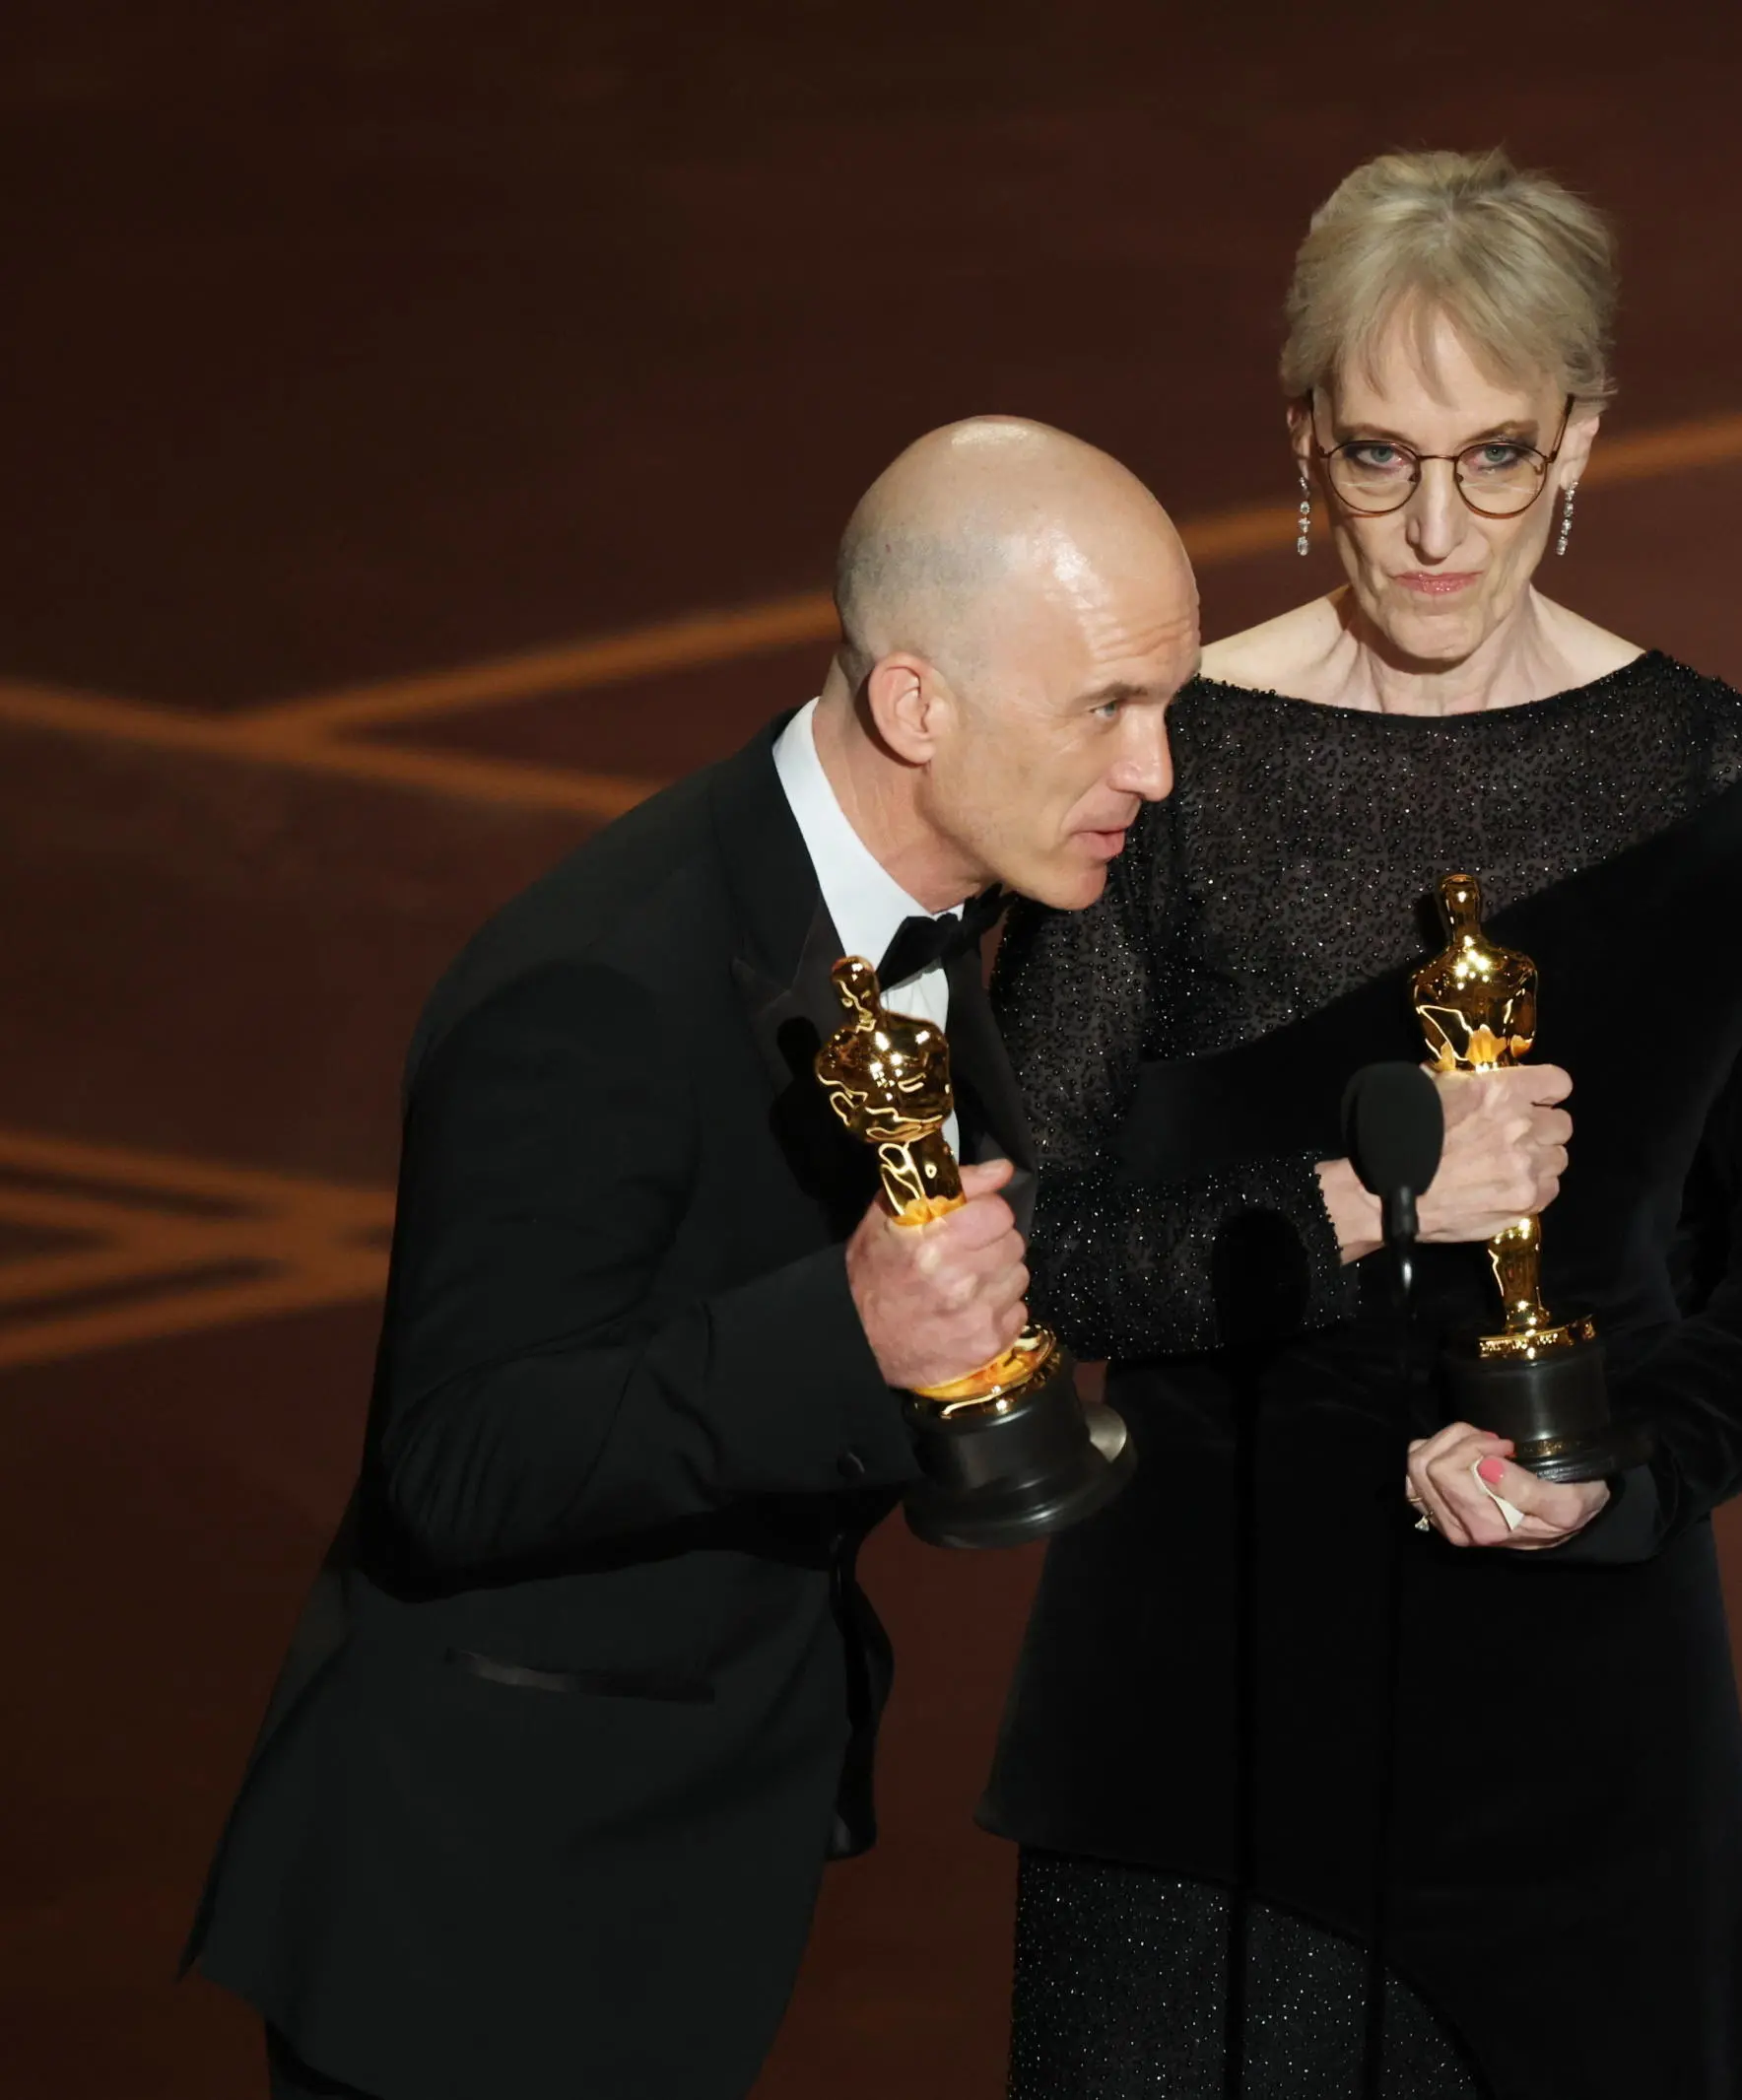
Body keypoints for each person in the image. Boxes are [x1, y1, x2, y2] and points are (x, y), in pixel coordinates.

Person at [979, 149, 1742, 2100]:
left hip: (1587, 1732)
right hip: (1207, 1745)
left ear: (1580, 440)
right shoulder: (1160, 779)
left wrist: (1637, 1467)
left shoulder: (1726, 786)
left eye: (1493, 455)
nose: (1430, 528)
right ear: (1302, 437)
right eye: (1381, 455)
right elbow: (1020, 1245)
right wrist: (1349, 1208)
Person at [183, 420, 1198, 2100]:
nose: (1154, 773)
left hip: (682, 1861)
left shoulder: (946, 922)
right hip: (482, 1922)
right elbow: (450, 1461)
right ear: (915, 706)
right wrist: (844, 1335)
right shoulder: (594, 990)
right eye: (1107, 708)